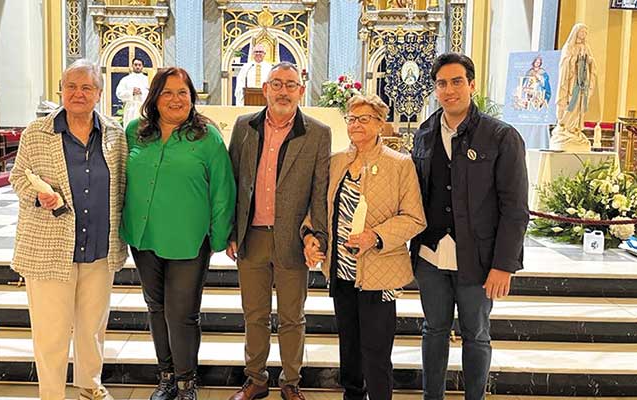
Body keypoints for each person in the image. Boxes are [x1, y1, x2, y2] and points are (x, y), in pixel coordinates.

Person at [410, 53, 529, 400]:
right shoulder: (424, 133)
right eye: (442, 84)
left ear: (472, 85)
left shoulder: (501, 136)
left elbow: (515, 209)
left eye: (457, 81)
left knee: (476, 334)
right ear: (435, 89)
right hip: (431, 255)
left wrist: (504, 265)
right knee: (433, 330)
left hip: (478, 258)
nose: (449, 90)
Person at [10, 59, 127, 400]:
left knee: (92, 328)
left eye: (86, 87)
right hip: (49, 248)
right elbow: (18, 178)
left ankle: (90, 385)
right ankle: (52, 394)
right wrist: (38, 195)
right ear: (61, 90)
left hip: (99, 248)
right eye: (71, 87)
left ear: (99, 93)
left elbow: (122, 184)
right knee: (51, 331)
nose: (78, 93)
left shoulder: (115, 134)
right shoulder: (37, 132)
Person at [120, 67, 236, 400]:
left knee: (182, 314)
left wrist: (218, 238)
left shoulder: (207, 137)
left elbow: (223, 190)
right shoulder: (135, 132)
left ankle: (186, 382)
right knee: (156, 308)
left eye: (182, 93)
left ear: (192, 98)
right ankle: (166, 377)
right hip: (144, 236)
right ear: (155, 98)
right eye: (167, 92)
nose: (175, 99)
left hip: (189, 239)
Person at [303, 94, 426, 400]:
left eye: (364, 119)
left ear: (381, 124)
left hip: (380, 272)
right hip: (341, 271)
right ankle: (353, 395)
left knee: (376, 350)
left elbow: (415, 218)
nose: (356, 124)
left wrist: (376, 236)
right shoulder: (336, 162)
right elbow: (318, 209)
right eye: (352, 119)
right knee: (349, 345)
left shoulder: (400, 164)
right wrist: (310, 236)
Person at [226, 62, 331, 400]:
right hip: (252, 235)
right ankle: (256, 379)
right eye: (277, 84)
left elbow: (319, 191)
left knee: (292, 317)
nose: (283, 91)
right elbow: (232, 181)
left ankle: (290, 382)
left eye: (290, 84)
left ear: (301, 90)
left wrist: (319, 237)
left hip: (292, 239)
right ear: (266, 89)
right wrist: (231, 231)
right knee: (254, 315)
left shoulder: (318, 133)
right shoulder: (244, 126)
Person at [550, 23, 596, 151]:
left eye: (585, 33)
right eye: (582, 32)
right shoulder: (569, 47)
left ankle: (575, 129)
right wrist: (574, 59)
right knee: (571, 103)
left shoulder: (586, 47)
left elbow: (592, 64)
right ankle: (565, 127)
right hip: (572, 81)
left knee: (579, 105)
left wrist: (589, 60)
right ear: (576, 32)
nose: (583, 35)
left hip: (583, 81)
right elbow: (565, 63)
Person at [116, 57, 150, 127]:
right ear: (132, 66)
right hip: (130, 108)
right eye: (135, 65)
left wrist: (142, 92)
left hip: (143, 108)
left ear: (142, 66)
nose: (137, 67)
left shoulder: (147, 80)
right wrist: (131, 92)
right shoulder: (125, 79)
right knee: (130, 127)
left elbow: (152, 93)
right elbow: (119, 93)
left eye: (139, 65)